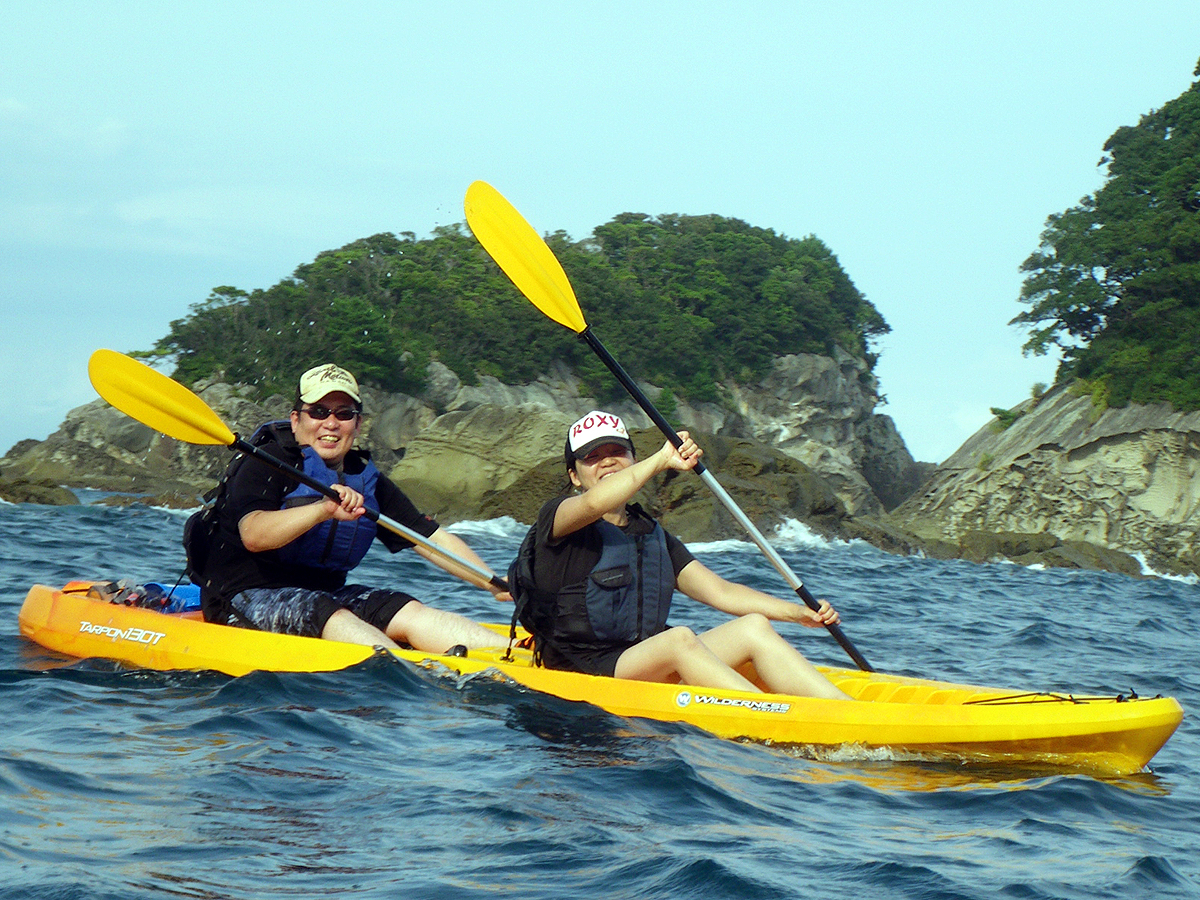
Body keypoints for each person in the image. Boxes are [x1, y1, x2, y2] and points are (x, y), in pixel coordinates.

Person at [512, 410, 852, 700]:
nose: (608, 461)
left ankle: (845, 711)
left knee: (753, 627)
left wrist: (797, 613)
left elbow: (720, 592)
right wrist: (662, 460)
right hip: (580, 668)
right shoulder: (559, 517)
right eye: (592, 457)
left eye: (617, 451)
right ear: (574, 475)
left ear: (632, 459)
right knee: (678, 640)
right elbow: (593, 504)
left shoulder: (651, 535)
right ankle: (771, 716)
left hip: (643, 663)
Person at [193, 363, 507, 653]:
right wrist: (323, 509)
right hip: (242, 599)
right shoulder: (265, 462)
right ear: (296, 420)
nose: (331, 423)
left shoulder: (366, 478)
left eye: (344, 414)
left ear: (357, 424)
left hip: (325, 597)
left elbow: (430, 539)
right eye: (318, 411)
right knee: (330, 614)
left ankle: (517, 651)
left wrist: (494, 584)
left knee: (405, 609)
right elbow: (254, 534)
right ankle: (409, 672)